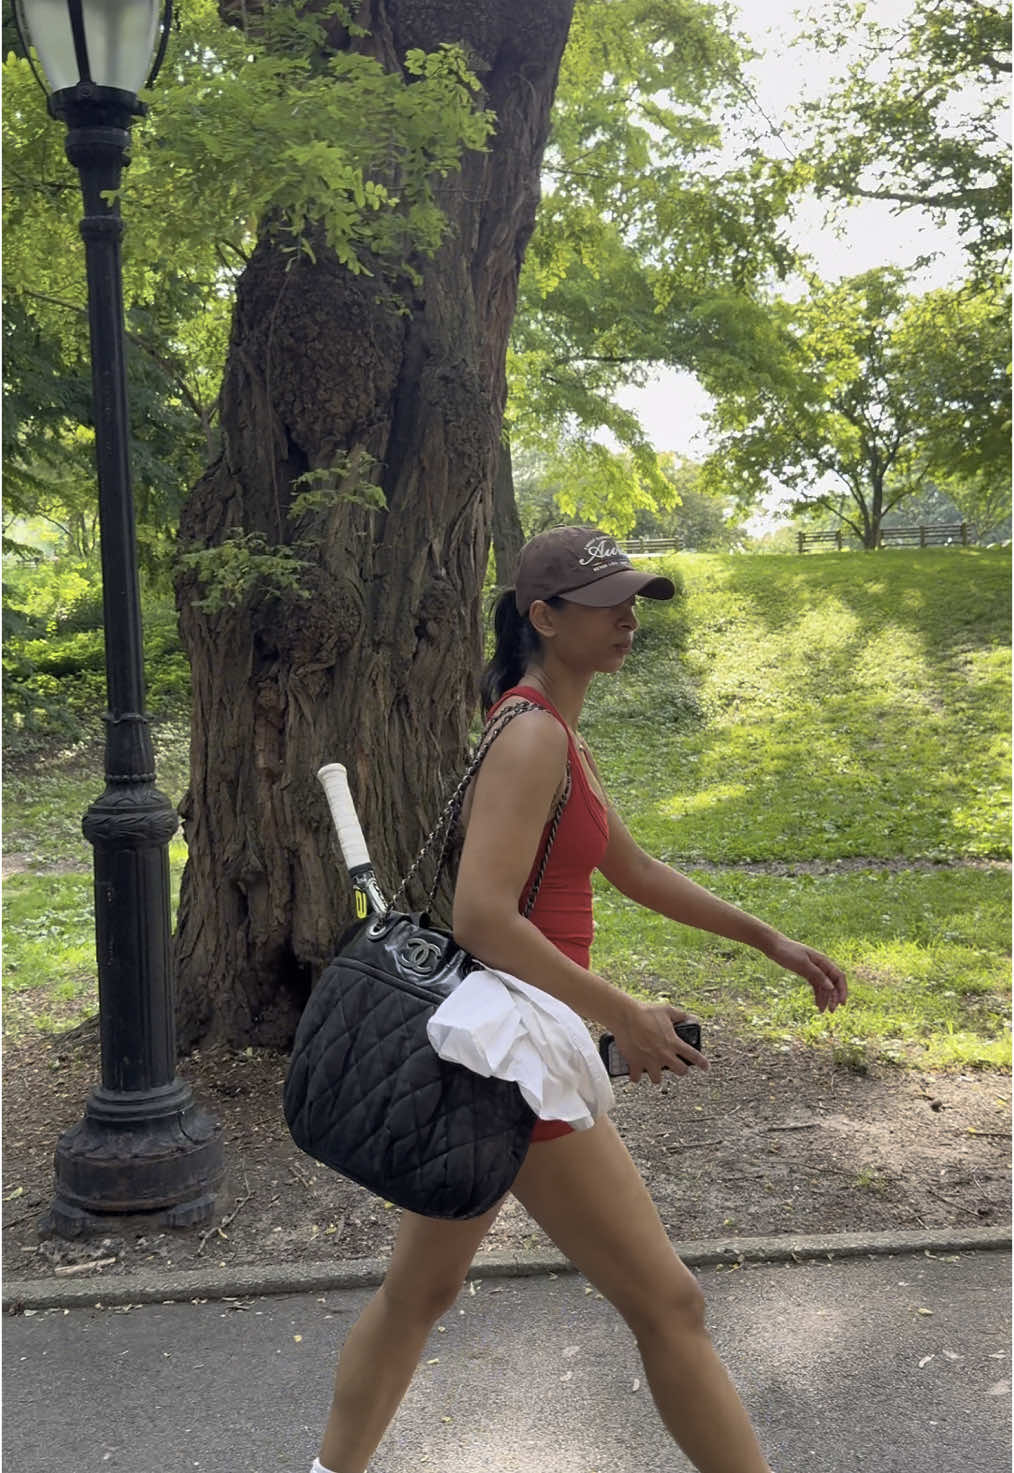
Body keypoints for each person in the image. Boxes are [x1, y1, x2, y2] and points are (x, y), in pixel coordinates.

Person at [312, 526, 847, 1473]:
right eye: (606, 602)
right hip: (522, 1059)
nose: (628, 616)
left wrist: (768, 938)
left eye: (633, 598)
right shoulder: (530, 736)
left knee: (417, 1295)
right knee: (669, 1303)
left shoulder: (553, 731)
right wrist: (621, 1012)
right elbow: (481, 915)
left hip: (500, 1051)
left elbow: (634, 869)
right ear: (545, 617)